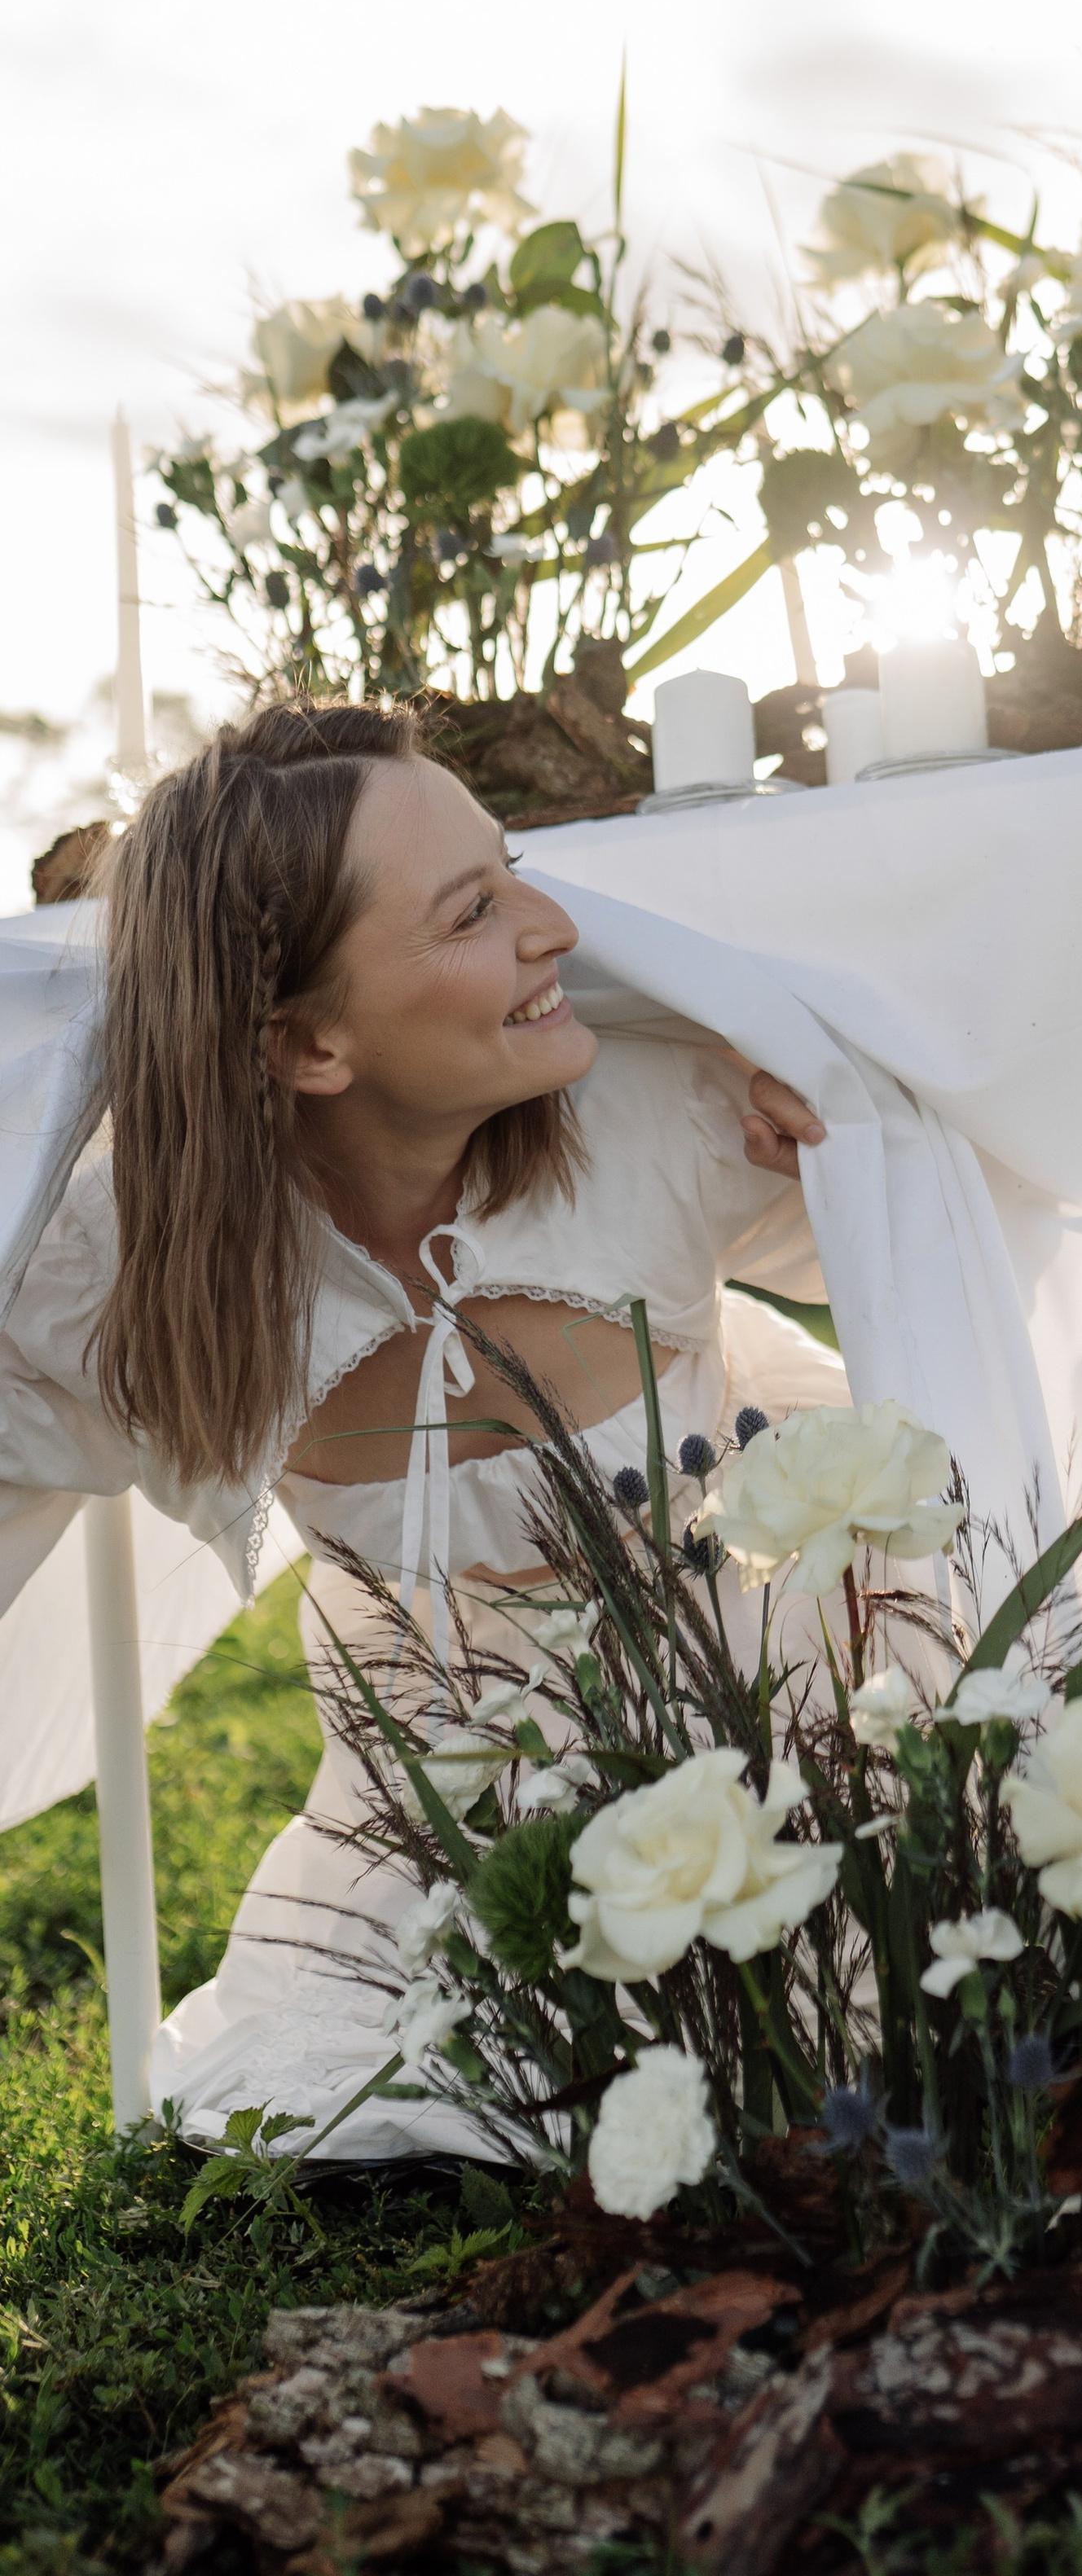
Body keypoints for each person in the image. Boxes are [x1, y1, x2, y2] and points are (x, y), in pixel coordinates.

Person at [0, 697, 842, 2149]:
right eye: (473, 913)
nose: (553, 927)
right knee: (354, 2108)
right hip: (433, 1812)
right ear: (312, 1046)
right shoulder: (121, 1280)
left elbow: (998, 1234)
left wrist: (856, 1147)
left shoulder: (664, 1115)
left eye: (513, 869)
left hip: (785, 1712)